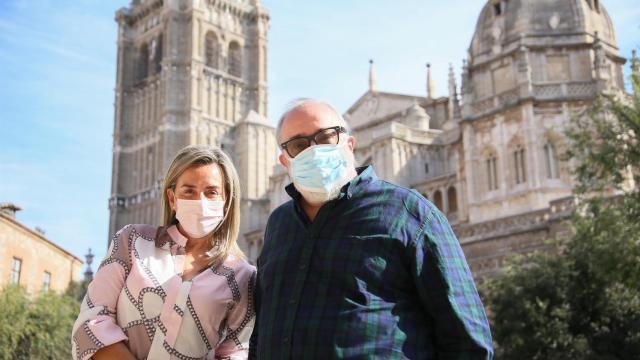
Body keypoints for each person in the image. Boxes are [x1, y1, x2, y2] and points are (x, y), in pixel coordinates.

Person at [249, 99, 493, 359]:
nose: (314, 151)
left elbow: (467, 341)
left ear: (350, 145)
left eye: (326, 137)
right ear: (285, 161)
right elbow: (262, 326)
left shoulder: (409, 212)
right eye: (299, 145)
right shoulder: (279, 224)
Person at [72, 145, 255, 360]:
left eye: (211, 192)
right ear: (172, 198)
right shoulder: (131, 242)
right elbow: (91, 322)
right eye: (189, 191)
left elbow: (236, 353)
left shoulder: (242, 276)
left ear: (226, 202)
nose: (200, 201)